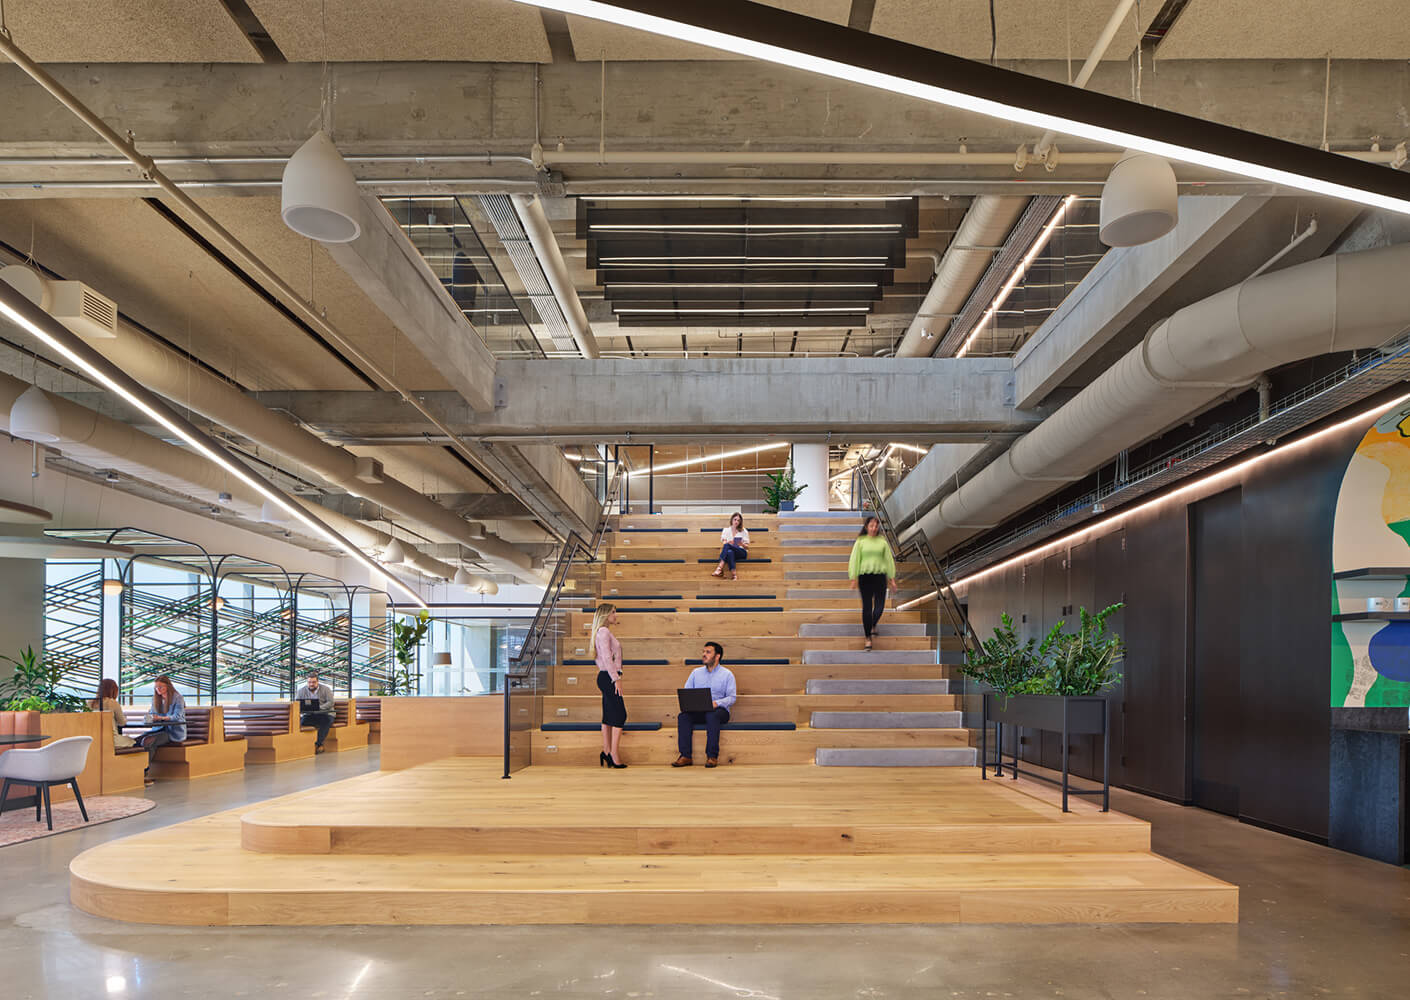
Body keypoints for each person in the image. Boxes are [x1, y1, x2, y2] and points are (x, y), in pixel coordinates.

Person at [673, 641, 736, 768]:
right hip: (699, 710)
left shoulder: (727, 674)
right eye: (703, 652)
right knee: (683, 717)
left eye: (708, 652)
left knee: (712, 716)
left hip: (719, 711)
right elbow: (687, 692)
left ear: (717, 656)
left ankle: (712, 756)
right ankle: (685, 756)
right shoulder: (695, 673)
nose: (704, 654)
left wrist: (716, 703)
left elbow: (732, 697)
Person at [848, 515, 897, 652]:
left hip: (880, 577)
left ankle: (873, 624)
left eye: (876, 525)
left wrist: (892, 578)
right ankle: (868, 638)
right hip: (865, 577)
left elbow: (888, 560)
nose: (874, 528)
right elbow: (855, 559)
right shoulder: (861, 541)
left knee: (880, 607)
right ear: (866, 527)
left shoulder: (882, 542)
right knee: (867, 607)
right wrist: (853, 577)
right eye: (871, 525)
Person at [593, 602, 628, 768]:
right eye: (613, 612)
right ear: (606, 614)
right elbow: (607, 658)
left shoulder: (601, 632)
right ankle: (614, 754)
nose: (616, 615)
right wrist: (616, 678)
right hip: (608, 677)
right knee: (620, 715)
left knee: (608, 715)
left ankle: (606, 751)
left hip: (606, 676)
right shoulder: (604, 631)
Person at [137, 674, 186, 784]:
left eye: (161, 687)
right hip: (158, 730)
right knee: (138, 740)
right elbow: (151, 714)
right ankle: (135, 772)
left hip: (172, 731)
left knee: (149, 741)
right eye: (156, 688)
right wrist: (150, 718)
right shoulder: (155, 699)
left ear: (168, 686)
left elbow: (177, 716)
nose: (158, 690)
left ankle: (144, 772)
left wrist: (161, 718)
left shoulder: (177, 698)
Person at [90, 678, 136, 749]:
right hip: (112, 741)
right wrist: (125, 719)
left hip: (95, 741)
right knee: (133, 741)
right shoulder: (112, 703)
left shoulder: (90, 703)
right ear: (113, 691)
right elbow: (122, 722)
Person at [297, 671, 336, 754]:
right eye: (309, 682)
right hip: (310, 714)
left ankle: (318, 744)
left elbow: (331, 702)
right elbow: (297, 703)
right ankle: (304, 745)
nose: (311, 684)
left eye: (314, 682)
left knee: (326, 722)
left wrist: (319, 708)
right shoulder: (301, 691)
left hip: (326, 713)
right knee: (302, 722)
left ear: (318, 682)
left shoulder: (326, 689)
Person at [711, 512, 751, 580]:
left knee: (728, 546)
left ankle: (719, 568)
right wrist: (727, 542)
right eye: (735, 519)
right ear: (732, 520)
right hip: (730, 550)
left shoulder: (744, 531)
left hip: (741, 552)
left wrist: (741, 544)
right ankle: (734, 575)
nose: (736, 522)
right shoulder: (726, 530)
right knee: (729, 552)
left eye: (738, 520)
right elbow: (724, 543)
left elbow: (747, 547)